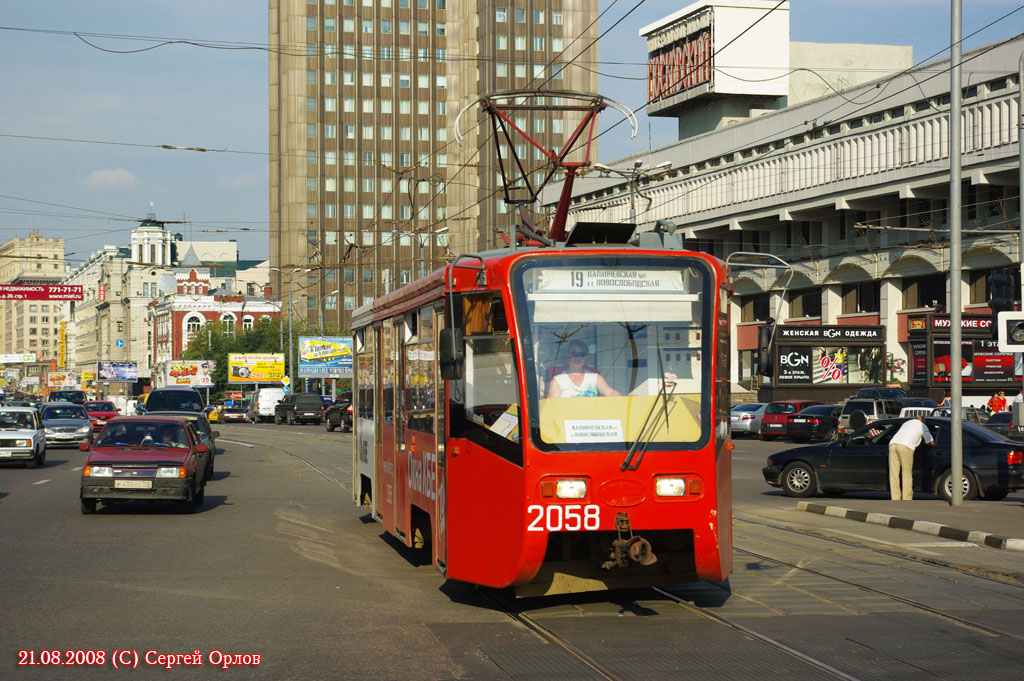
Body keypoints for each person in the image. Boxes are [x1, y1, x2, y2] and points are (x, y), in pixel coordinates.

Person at [547, 340, 621, 398]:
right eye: (575, 353)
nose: (579, 357)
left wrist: (626, 400)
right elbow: (553, 405)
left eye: (582, 354)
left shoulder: (595, 377)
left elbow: (610, 392)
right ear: (567, 354)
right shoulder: (557, 380)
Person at [888, 415, 933, 501]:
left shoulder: (907, 422)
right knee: (906, 474)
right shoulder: (922, 426)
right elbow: (930, 441)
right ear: (924, 422)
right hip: (906, 446)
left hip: (892, 444)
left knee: (893, 473)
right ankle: (907, 498)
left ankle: (895, 498)